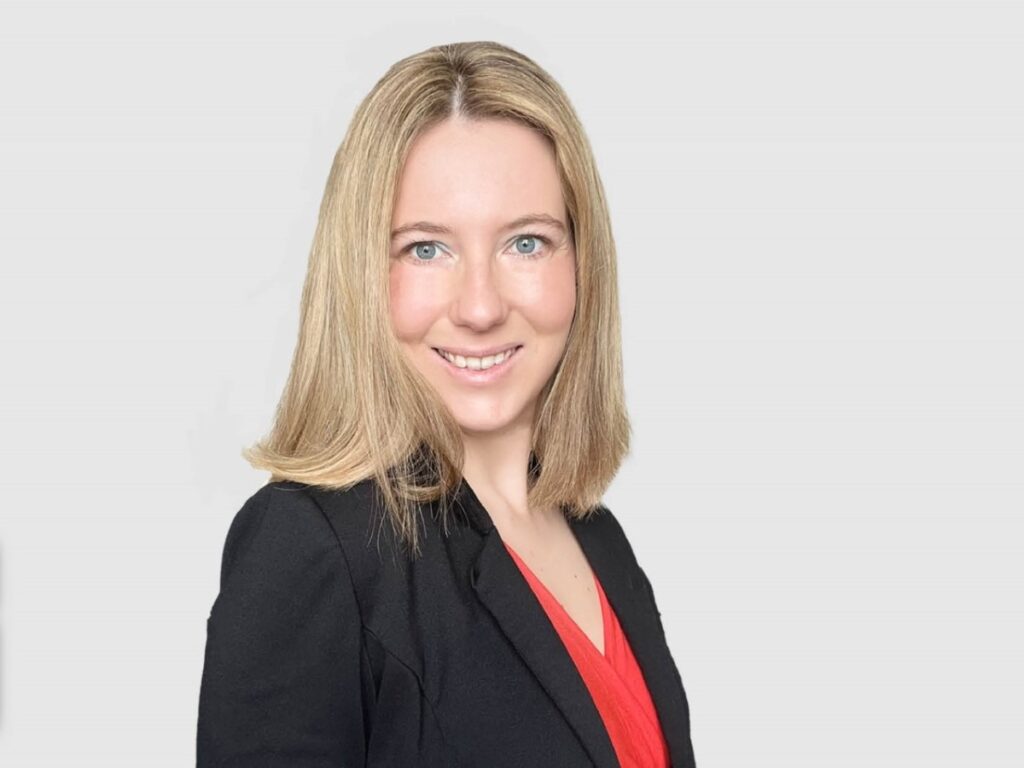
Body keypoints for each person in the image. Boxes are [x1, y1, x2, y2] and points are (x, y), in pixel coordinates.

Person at [196, 40, 697, 767]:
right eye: (426, 250)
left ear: (583, 263)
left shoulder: (599, 540)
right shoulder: (308, 548)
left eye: (526, 243)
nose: (481, 307)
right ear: (361, 272)